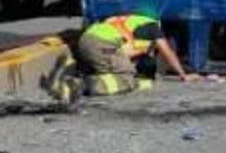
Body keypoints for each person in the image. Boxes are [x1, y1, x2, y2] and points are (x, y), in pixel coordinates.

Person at [44, 14, 199, 103]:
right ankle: (76, 86)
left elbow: (121, 54)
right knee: (126, 79)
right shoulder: (153, 28)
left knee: (112, 73)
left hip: (86, 39)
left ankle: (81, 79)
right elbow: (168, 52)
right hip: (102, 43)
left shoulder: (128, 21)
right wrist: (183, 75)